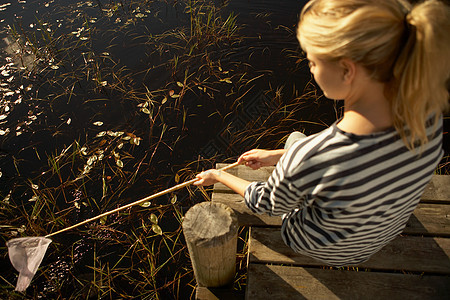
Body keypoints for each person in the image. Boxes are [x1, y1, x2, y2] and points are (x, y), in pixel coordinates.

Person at [193, 0, 449, 266]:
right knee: (294, 145)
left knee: (295, 139)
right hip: (382, 232)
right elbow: (342, 160)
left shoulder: (310, 155)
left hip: (326, 248)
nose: (311, 69)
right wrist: (277, 156)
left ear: (347, 70)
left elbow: (264, 203)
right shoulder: (429, 118)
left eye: (313, 61)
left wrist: (219, 175)